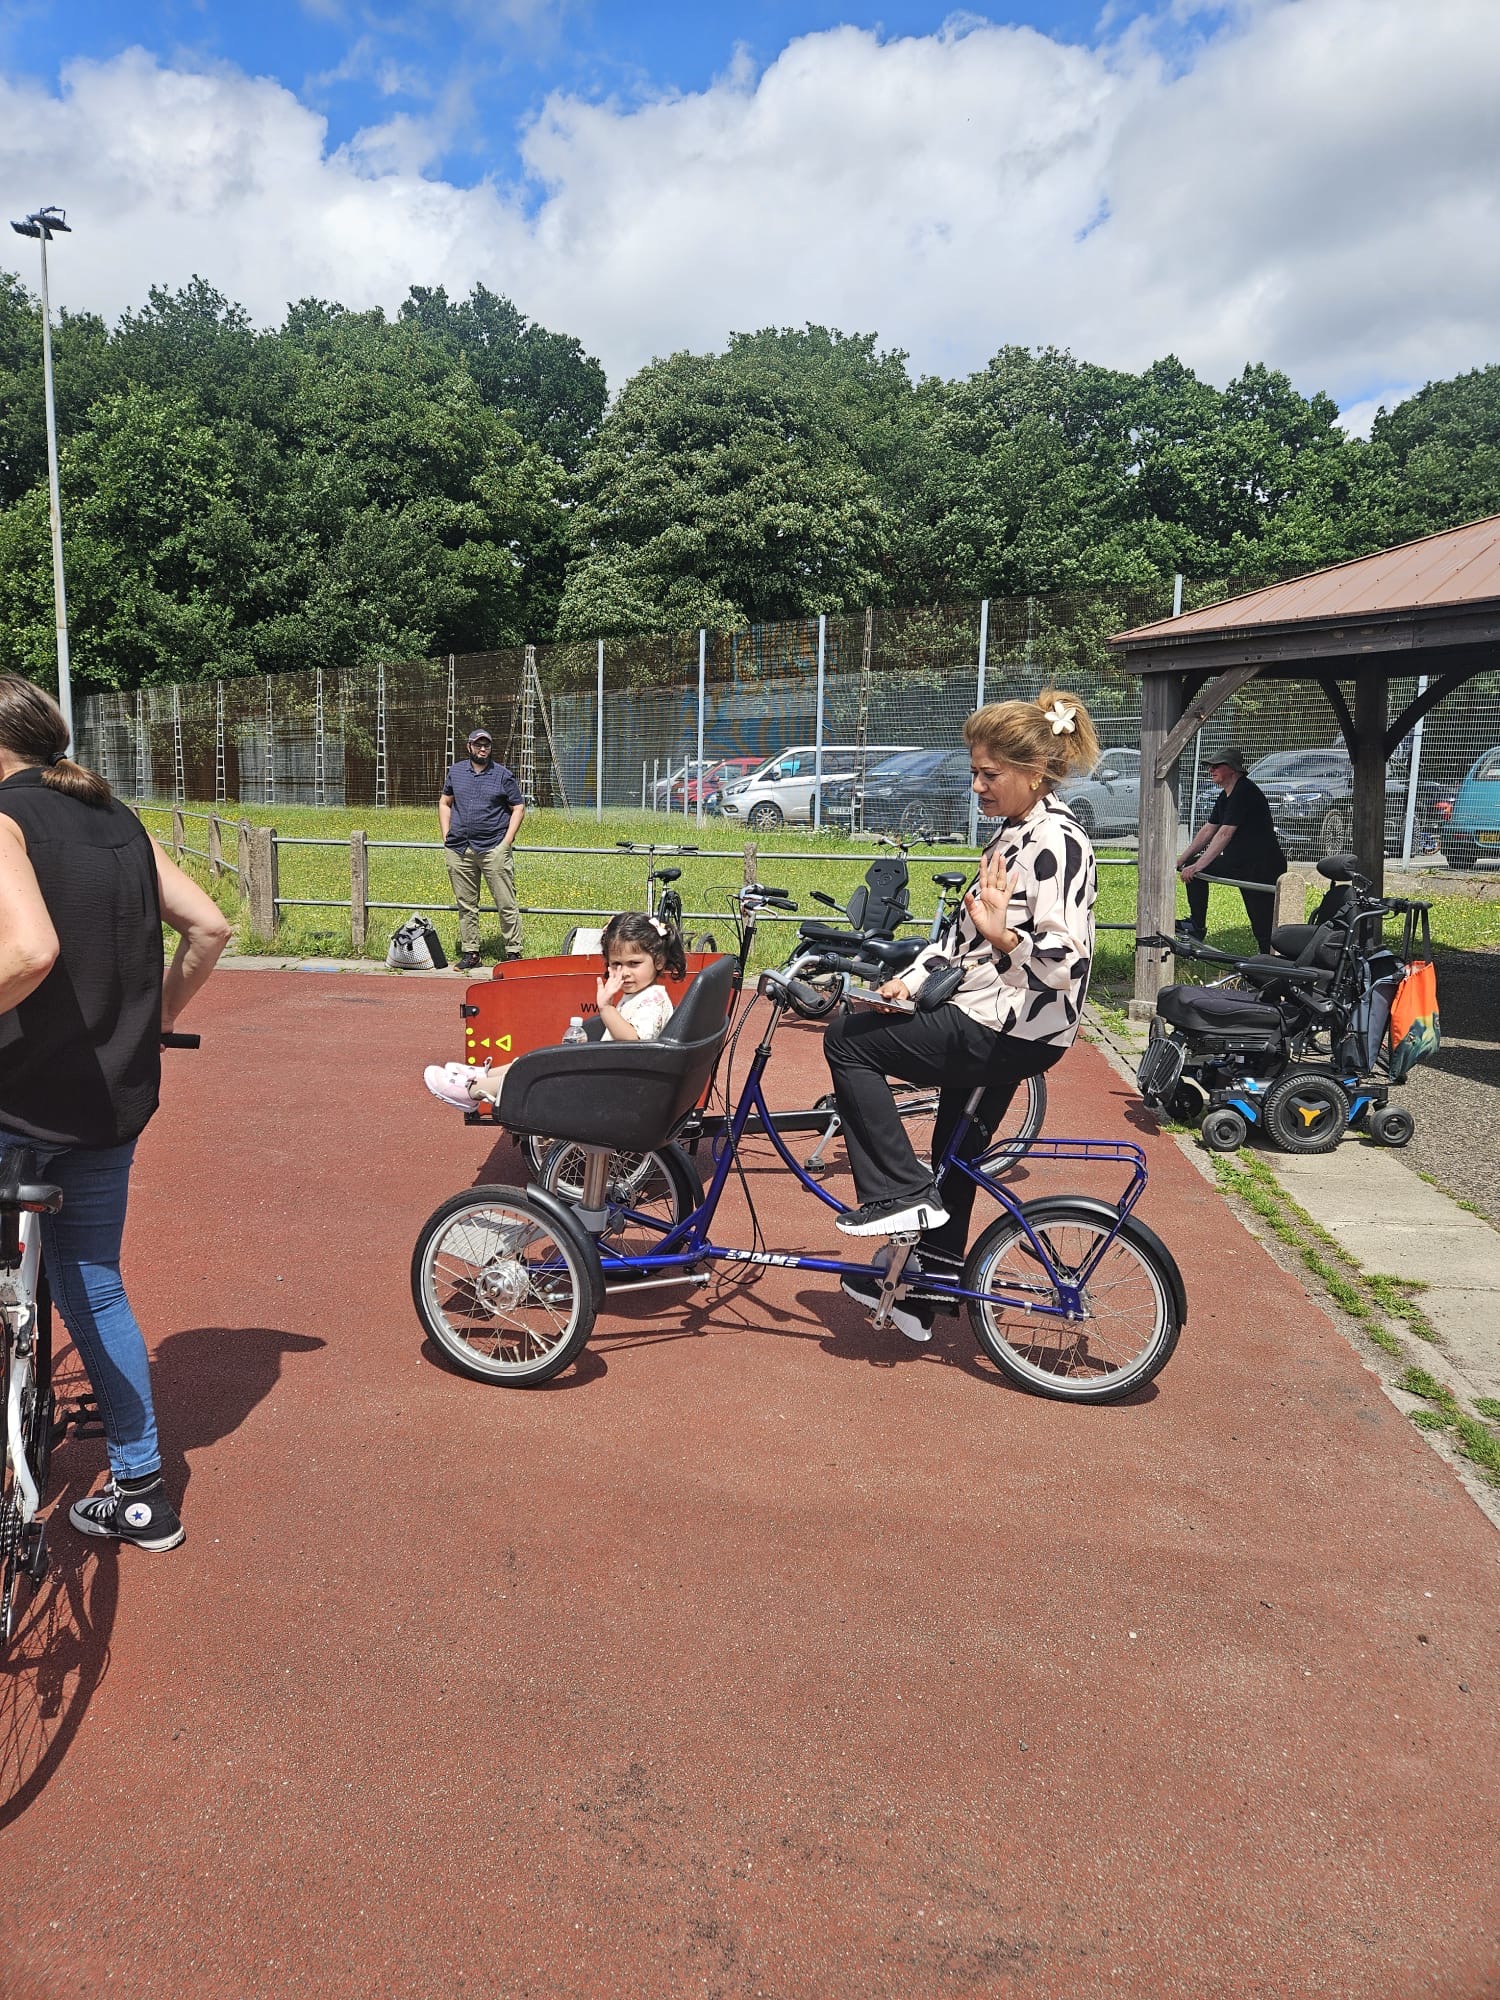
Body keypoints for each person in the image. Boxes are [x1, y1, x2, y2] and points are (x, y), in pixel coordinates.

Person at [0, 675, 231, 1551]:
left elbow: (27, 950)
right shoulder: (120, 819)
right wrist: (154, 1021)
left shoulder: (6, 821)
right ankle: (140, 1490)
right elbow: (208, 928)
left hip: (15, 1099)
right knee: (95, 1282)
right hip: (107, 1107)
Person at [828, 690, 1100, 1343]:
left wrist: (1007, 938)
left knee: (848, 1041)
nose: (976, 785)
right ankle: (928, 1290)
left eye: (990, 774)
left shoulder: (1057, 842)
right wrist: (907, 979)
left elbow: (1069, 960)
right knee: (956, 1154)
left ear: (1034, 773)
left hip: (1012, 1025)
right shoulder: (1015, 833)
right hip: (1000, 1015)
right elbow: (961, 944)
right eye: (974, 771)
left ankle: (896, 1193)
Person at [423, 913, 683, 1109]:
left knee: (539, 1071)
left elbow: (634, 1043)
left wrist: (605, 1007)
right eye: (616, 964)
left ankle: (474, 1091)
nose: (624, 972)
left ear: (658, 961)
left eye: (634, 964)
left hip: (617, 1085)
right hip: (613, 1072)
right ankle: (484, 1074)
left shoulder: (653, 1000)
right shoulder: (641, 993)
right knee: (535, 1060)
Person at [1176, 748, 1286, 953]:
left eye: (1216, 766)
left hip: (1262, 867)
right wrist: (1182, 861)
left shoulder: (1244, 791)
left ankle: (1272, 966)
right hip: (1240, 863)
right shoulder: (1226, 795)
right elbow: (1209, 829)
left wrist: (1198, 865)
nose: (1210, 770)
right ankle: (1196, 926)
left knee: (1262, 923)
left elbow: (1225, 833)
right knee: (1197, 874)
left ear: (1233, 769)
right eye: (1209, 766)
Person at [440, 728, 525, 971]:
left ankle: (513, 952)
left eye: (486, 745)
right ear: (469, 747)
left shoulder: (503, 775)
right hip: (459, 849)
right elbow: (445, 802)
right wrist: (446, 835)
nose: (483, 749)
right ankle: (471, 953)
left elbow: (518, 807)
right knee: (466, 904)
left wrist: (506, 842)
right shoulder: (455, 772)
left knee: (506, 902)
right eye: (478, 745)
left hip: (493, 849)